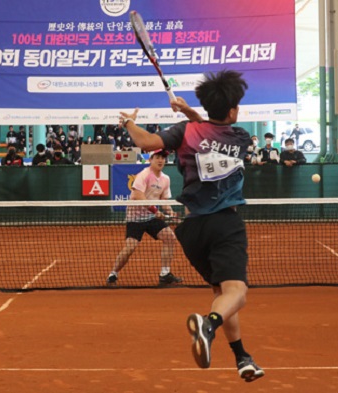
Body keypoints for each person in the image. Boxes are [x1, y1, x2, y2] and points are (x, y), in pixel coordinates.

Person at [119, 70, 264, 382]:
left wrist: (127, 122)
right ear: (233, 110)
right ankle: (208, 325)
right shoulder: (240, 137)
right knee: (237, 293)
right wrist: (190, 112)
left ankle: (242, 357)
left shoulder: (186, 131)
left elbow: (146, 142)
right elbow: (215, 131)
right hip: (225, 223)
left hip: (193, 230)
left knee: (222, 293)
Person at [107, 149, 183, 286]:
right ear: (150, 160)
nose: (161, 160)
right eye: (157, 157)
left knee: (170, 237)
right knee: (130, 248)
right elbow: (137, 195)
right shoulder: (144, 175)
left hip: (151, 218)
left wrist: (171, 213)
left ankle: (165, 274)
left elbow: (164, 200)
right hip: (135, 218)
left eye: (163, 158)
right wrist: (154, 210)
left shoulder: (166, 179)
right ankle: (113, 274)